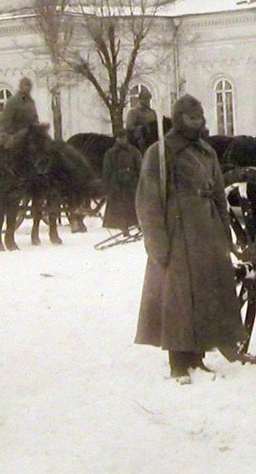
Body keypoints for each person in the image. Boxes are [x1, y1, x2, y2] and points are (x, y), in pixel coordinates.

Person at [134, 95, 245, 384]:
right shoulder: (160, 153)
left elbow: (219, 193)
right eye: (192, 118)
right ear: (179, 119)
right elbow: (148, 202)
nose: (199, 122)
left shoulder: (207, 152)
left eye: (201, 117)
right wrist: (157, 243)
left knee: (206, 296)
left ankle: (198, 358)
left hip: (206, 233)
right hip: (177, 234)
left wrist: (224, 229)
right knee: (178, 299)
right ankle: (178, 362)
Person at [102, 129, 142, 234]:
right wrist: (107, 186)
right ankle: (123, 227)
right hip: (117, 184)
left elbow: (140, 168)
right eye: (120, 138)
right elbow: (107, 170)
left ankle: (138, 225)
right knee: (120, 207)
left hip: (131, 183)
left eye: (124, 138)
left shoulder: (134, 152)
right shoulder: (110, 153)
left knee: (134, 205)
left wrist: (140, 182)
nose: (122, 140)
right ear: (116, 139)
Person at [124, 87, 159, 152]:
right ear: (140, 99)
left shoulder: (152, 112)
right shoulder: (134, 112)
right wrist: (143, 128)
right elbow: (129, 126)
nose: (147, 101)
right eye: (145, 99)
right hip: (139, 137)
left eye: (148, 99)